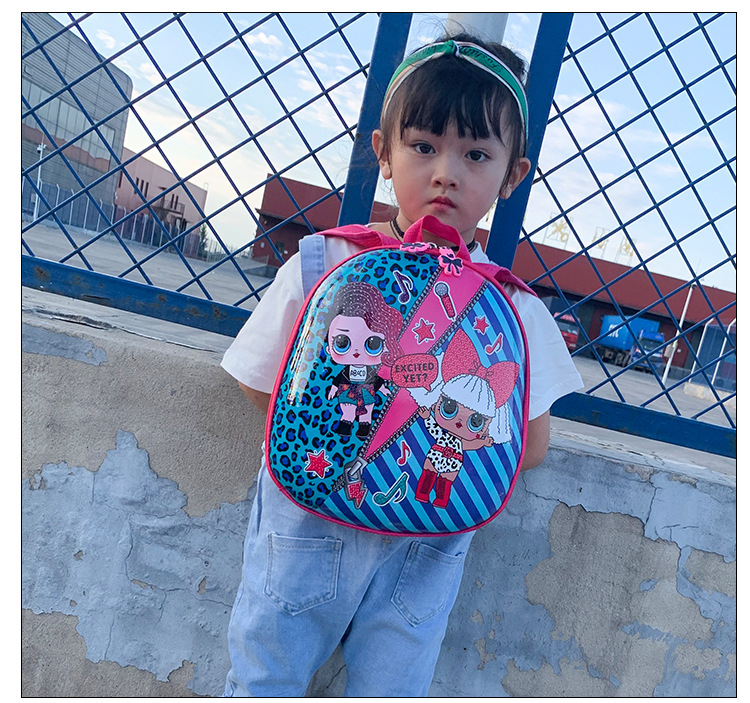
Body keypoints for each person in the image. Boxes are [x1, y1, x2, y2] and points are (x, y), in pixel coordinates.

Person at [220, 31, 583, 697]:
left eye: (476, 154)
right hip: (427, 542)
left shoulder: (324, 261)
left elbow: (260, 383)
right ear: (383, 152)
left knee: (265, 677)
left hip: (312, 514)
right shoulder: (514, 306)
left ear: (513, 174)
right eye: (423, 146)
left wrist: (337, 443)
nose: (446, 172)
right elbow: (528, 447)